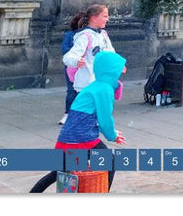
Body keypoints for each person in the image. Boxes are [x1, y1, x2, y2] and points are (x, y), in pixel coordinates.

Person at [30, 50, 128, 192]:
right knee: (109, 162)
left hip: (69, 136)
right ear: (111, 70)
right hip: (82, 139)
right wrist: (112, 135)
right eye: (120, 67)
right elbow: (105, 119)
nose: (123, 70)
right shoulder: (104, 89)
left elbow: (88, 117)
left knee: (57, 172)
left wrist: (111, 132)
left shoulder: (95, 86)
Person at [62, 3, 116, 94]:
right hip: (87, 84)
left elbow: (111, 53)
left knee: (103, 107)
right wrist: (76, 61)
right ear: (94, 18)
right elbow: (68, 57)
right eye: (105, 16)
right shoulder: (85, 36)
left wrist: (117, 65)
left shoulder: (103, 34)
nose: (107, 19)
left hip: (100, 82)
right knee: (82, 107)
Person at [58, 11, 87, 125]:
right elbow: (65, 49)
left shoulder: (92, 35)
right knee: (71, 91)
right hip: (73, 67)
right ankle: (68, 114)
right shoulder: (71, 35)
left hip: (86, 67)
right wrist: (77, 58)